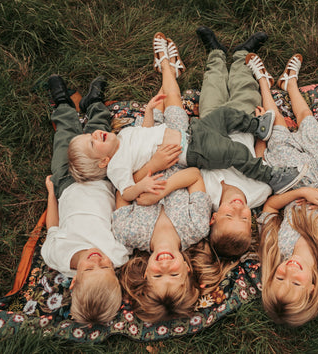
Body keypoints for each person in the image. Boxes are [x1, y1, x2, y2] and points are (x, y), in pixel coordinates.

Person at [65, 40, 303, 205]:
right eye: (93, 143)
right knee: (235, 151)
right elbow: (126, 192)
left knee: (223, 115)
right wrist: (143, 184)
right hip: (193, 151)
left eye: (90, 135)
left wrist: (148, 110)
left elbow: (145, 131)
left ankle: (256, 126)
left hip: (192, 132)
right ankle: (270, 176)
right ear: (102, 162)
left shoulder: (124, 136)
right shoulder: (117, 166)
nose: (96, 134)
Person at [41, 75, 176, 325]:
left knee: (65, 139)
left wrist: (51, 193)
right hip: (104, 180)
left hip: (66, 184)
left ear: (74, 283)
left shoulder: (56, 256)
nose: (96, 260)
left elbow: (53, 227)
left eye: (89, 269)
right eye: (104, 269)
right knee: (99, 134)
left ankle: (62, 104)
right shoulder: (117, 254)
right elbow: (124, 209)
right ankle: (94, 103)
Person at [245, 52, 318, 326]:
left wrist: (301, 194)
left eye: (279, 277)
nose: (288, 271)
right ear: (312, 289)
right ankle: (290, 85)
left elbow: (271, 207)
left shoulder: (277, 248)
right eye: (295, 283)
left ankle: (264, 82)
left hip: (292, 180)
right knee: (308, 121)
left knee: (276, 129)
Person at [114, 33, 212, 322]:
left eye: (158, 275)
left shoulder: (128, 234)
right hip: (178, 151)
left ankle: (168, 70)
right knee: (176, 114)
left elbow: (121, 190)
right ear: (188, 269)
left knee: (152, 113)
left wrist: (148, 171)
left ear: (144, 274)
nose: (165, 265)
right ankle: (168, 66)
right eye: (174, 274)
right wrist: (166, 187)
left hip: (142, 158)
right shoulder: (196, 229)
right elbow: (194, 176)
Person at [194, 26, 307, 258]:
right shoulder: (259, 193)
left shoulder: (205, 194)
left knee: (212, 86)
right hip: (244, 123)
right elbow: (258, 158)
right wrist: (259, 131)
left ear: (213, 218)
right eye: (245, 217)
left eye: (229, 215)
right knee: (245, 88)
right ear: (252, 220)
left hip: (212, 123)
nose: (237, 208)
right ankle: (240, 55)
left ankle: (215, 54)